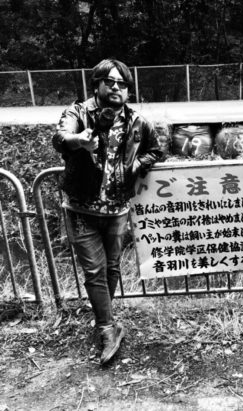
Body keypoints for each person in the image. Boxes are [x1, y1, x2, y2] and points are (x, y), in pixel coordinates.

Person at [52, 58, 164, 364]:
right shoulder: (78, 113)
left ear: (128, 90)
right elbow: (60, 138)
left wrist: (138, 165)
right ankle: (106, 328)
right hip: (81, 207)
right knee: (94, 270)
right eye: (110, 82)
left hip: (117, 209)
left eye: (122, 84)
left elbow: (157, 150)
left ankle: (106, 320)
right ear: (97, 84)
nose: (116, 88)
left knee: (112, 268)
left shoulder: (137, 121)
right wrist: (79, 141)